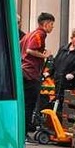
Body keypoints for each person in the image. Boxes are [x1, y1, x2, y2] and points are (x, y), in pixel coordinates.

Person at [20, 11, 55, 139]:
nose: (52, 27)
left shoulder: (29, 34)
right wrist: (44, 55)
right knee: (29, 105)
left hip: (24, 72)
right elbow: (30, 49)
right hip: (31, 74)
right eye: (51, 24)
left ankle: (21, 131)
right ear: (45, 24)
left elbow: (21, 47)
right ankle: (23, 133)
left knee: (24, 104)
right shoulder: (40, 34)